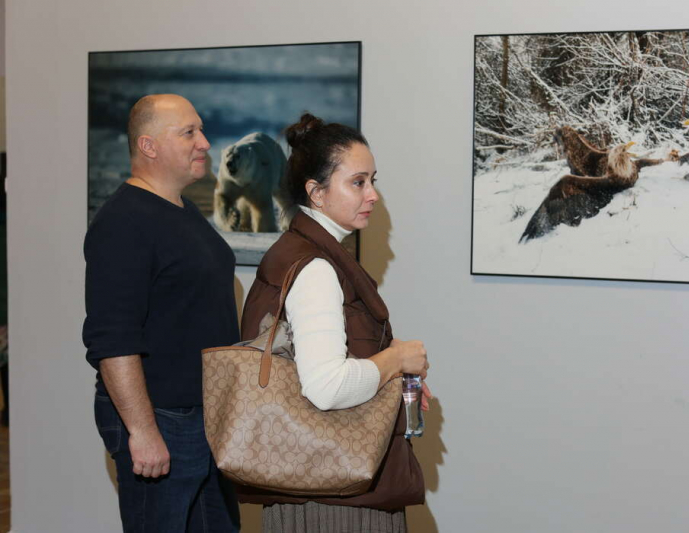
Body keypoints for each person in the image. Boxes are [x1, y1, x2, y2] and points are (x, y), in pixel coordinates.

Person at [239, 113, 432, 533]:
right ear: (317, 193)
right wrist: (396, 360)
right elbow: (326, 387)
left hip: (321, 486)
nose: (373, 195)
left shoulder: (301, 252)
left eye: (373, 180)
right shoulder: (314, 268)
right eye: (358, 182)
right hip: (335, 503)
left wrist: (388, 377)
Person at [83, 94, 240, 532]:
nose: (205, 142)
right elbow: (112, 340)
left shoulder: (182, 209)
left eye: (201, 130)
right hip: (163, 419)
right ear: (148, 146)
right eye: (188, 132)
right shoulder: (123, 222)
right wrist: (144, 431)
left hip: (202, 417)